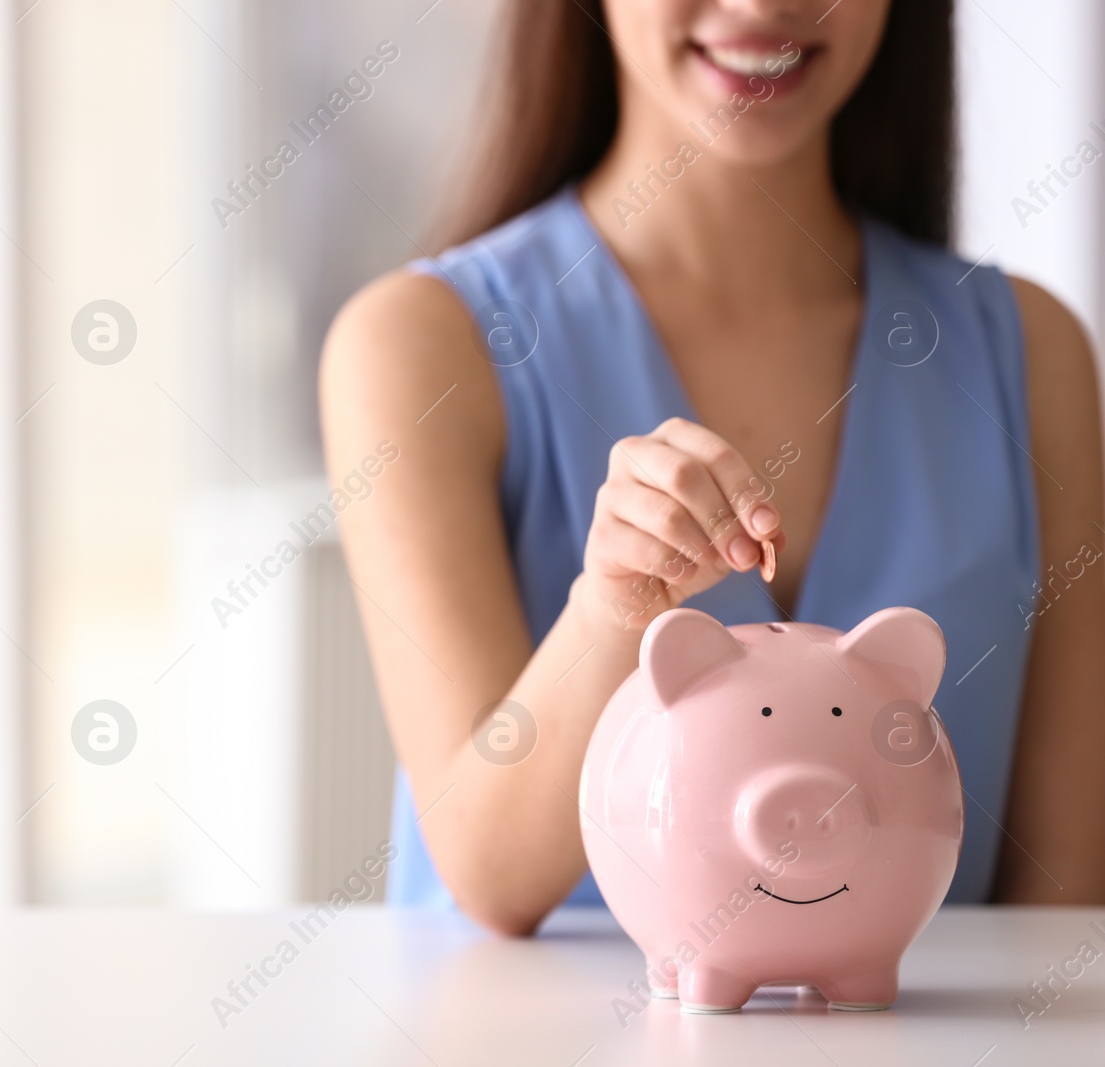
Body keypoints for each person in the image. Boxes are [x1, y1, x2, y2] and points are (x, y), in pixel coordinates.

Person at [319, 0, 1105, 936]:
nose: (764, 5)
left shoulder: (1030, 353)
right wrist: (612, 610)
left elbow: (1065, 913)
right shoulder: (419, 345)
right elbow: (486, 870)